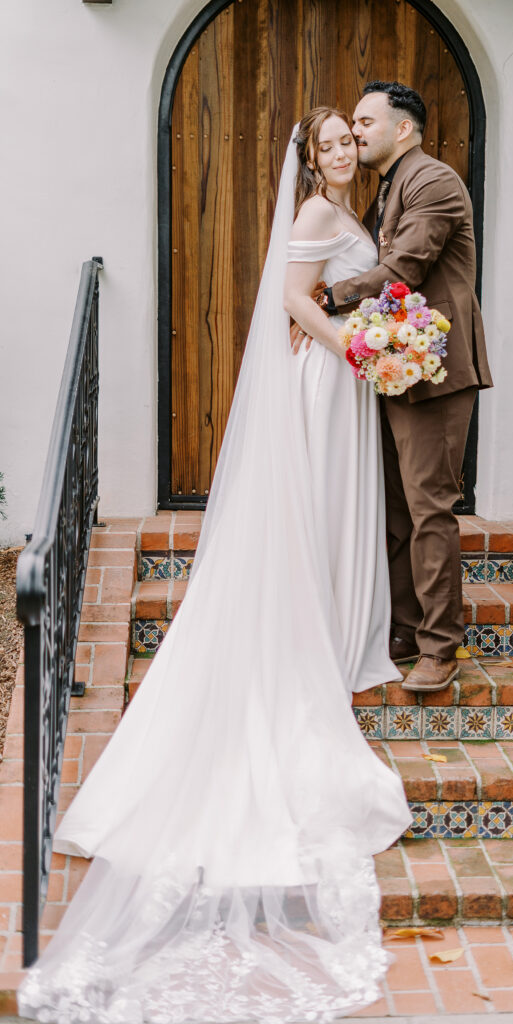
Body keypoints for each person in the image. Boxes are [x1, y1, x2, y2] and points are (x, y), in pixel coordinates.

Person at [17, 108, 412, 1024]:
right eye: (328, 145)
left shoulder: (347, 205)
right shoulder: (317, 214)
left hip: (336, 378)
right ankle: (312, 640)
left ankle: (330, 630)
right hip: (323, 378)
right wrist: (357, 346)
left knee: (327, 517)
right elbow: (294, 303)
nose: (342, 152)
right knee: (312, 513)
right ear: (310, 159)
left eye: (350, 141)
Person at [292, 82, 493, 694]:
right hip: (392, 372)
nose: (354, 134)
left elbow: (405, 269)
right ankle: (405, 627)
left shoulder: (431, 181)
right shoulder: (381, 194)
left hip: (435, 373)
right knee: (398, 508)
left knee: (430, 507)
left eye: (363, 122)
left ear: (401, 128)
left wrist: (324, 299)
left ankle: (439, 646)